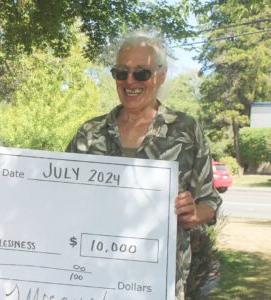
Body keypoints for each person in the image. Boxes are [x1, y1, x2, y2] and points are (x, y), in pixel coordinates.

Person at [65, 30, 222, 299]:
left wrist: (194, 213)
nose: (129, 81)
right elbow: (59, 195)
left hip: (158, 283)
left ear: (160, 75)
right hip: (93, 277)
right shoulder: (89, 133)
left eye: (141, 73)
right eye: (121, 72)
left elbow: (210, 201)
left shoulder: (185, 130)